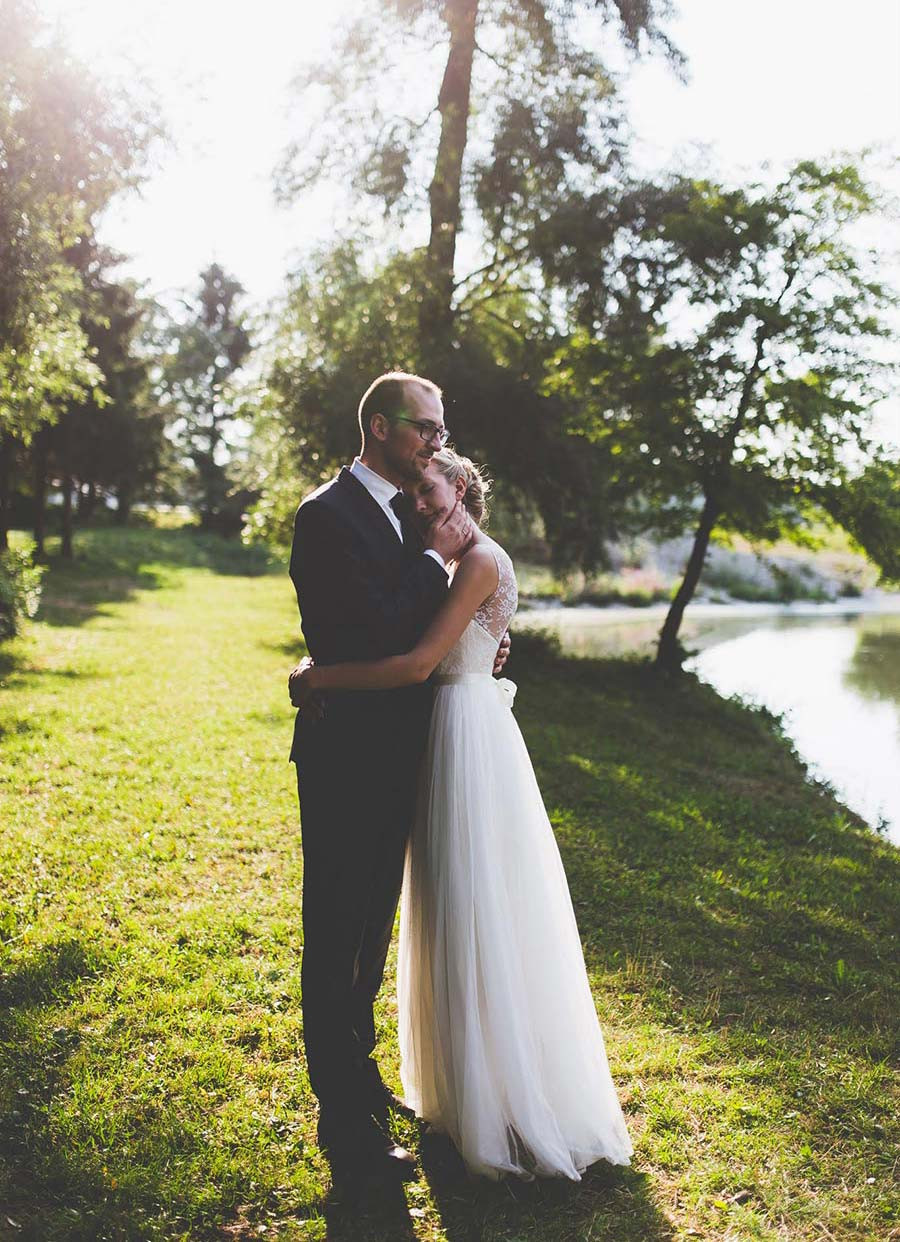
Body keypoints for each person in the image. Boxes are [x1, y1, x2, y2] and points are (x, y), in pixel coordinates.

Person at [290, 448, 634, 1181]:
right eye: (414, 491)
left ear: (461, 489)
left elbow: (419, 663)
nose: (420, 503)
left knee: (476, 905)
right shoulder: (448, 563)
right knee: (449, 904)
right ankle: (456, 1085)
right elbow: (419, 637)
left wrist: (318, 677)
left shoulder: (474, 561)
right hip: (445, 733)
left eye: (431, 490)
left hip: (467, 739)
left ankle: (499, 1094)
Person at [286, 372, 509, 1182]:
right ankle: (343, 1128)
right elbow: (370, 631)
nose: (436, 443)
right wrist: (431, 562)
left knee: (371, 938)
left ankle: (362, 1077)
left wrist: (474, 641)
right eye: (425, 428)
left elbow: (416, 628)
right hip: (346, 759)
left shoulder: (415, 514)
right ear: (379, 427)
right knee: (336, 936)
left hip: (406, 758)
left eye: (442, 431)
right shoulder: (327, 515)